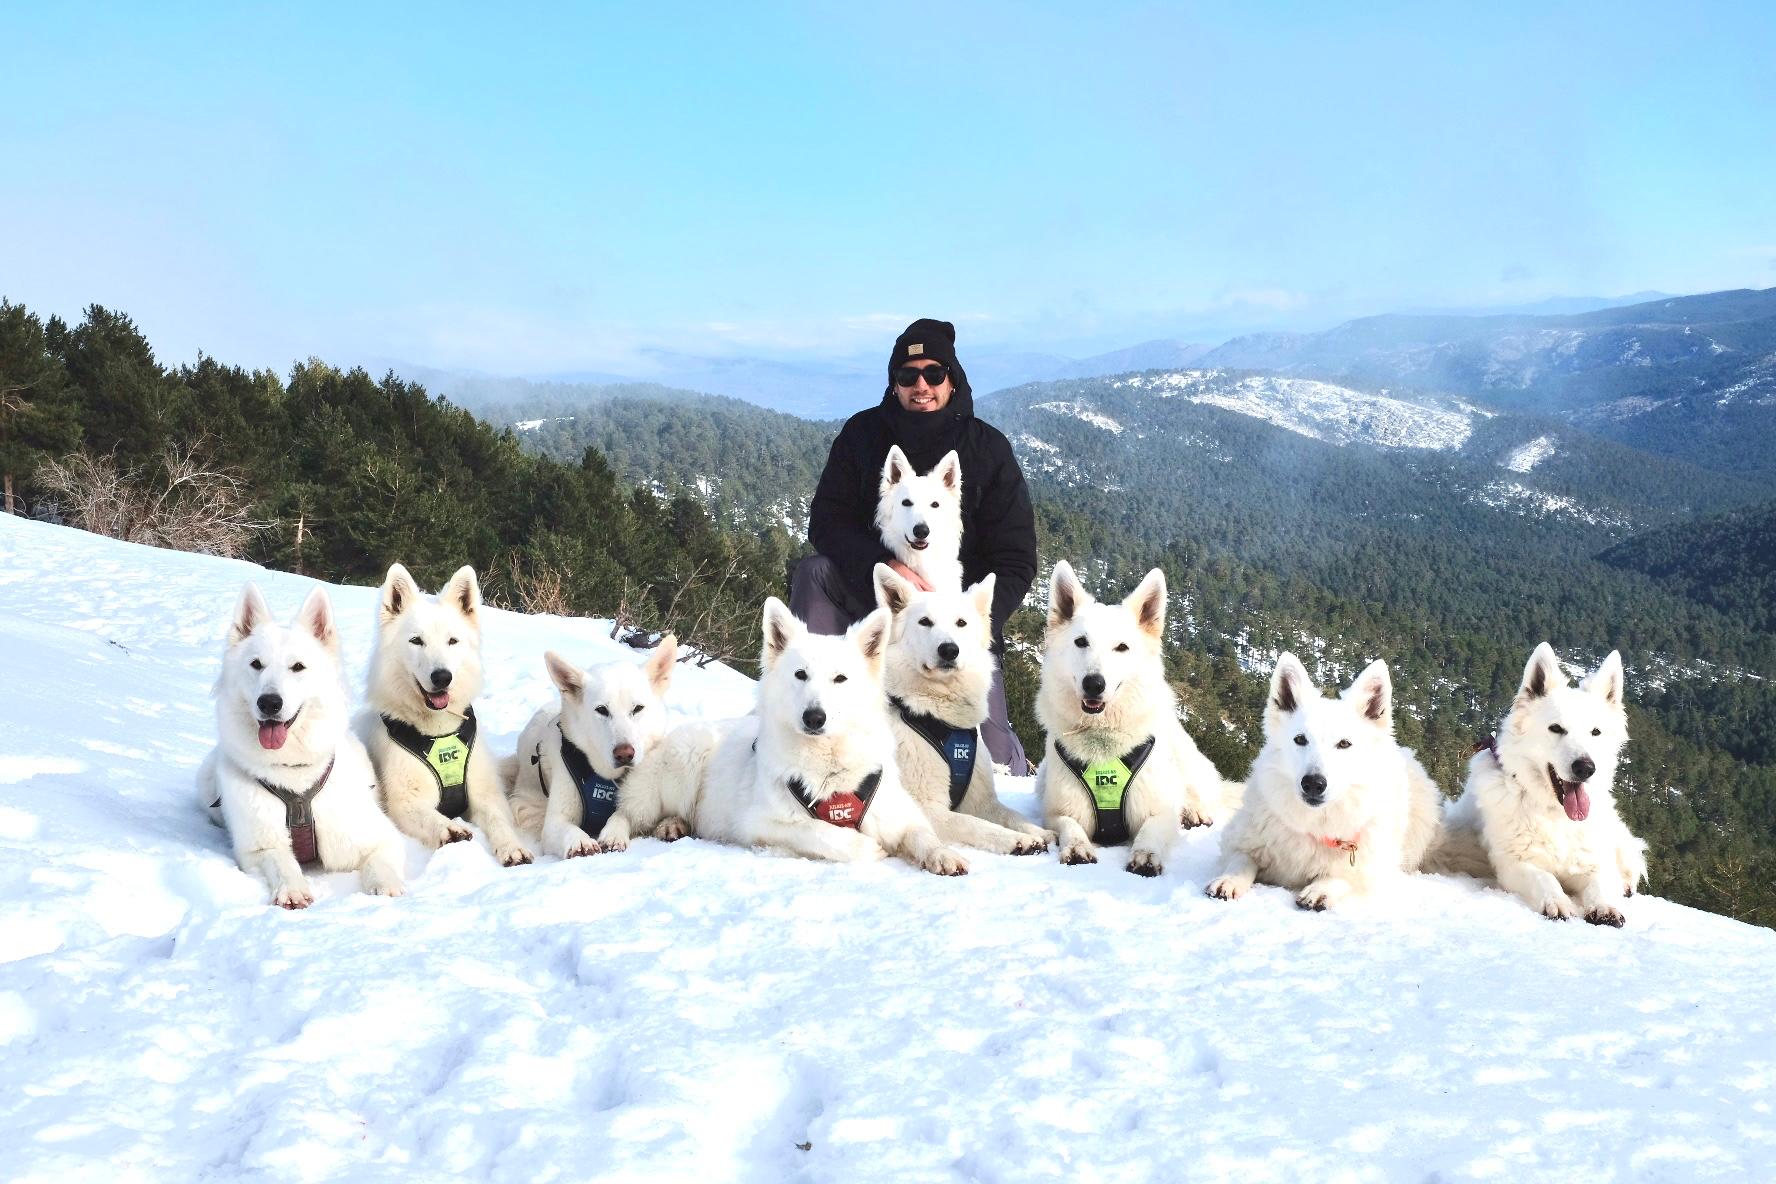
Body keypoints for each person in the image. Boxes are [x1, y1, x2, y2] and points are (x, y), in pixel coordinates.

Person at [791, 318, 1037, 774]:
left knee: (995, 766)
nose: (920, 385)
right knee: (814, 572)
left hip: (956, 626)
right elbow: (827, 521)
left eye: (933, 374)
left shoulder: (986, 449)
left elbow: (1016, 559)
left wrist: (972, 623)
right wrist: (886, 566)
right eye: (907, 376)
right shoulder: (862, 436)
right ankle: (813, 691)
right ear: (894, 383)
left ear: (952, 379)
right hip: (872, 607)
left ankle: (1014, 756)